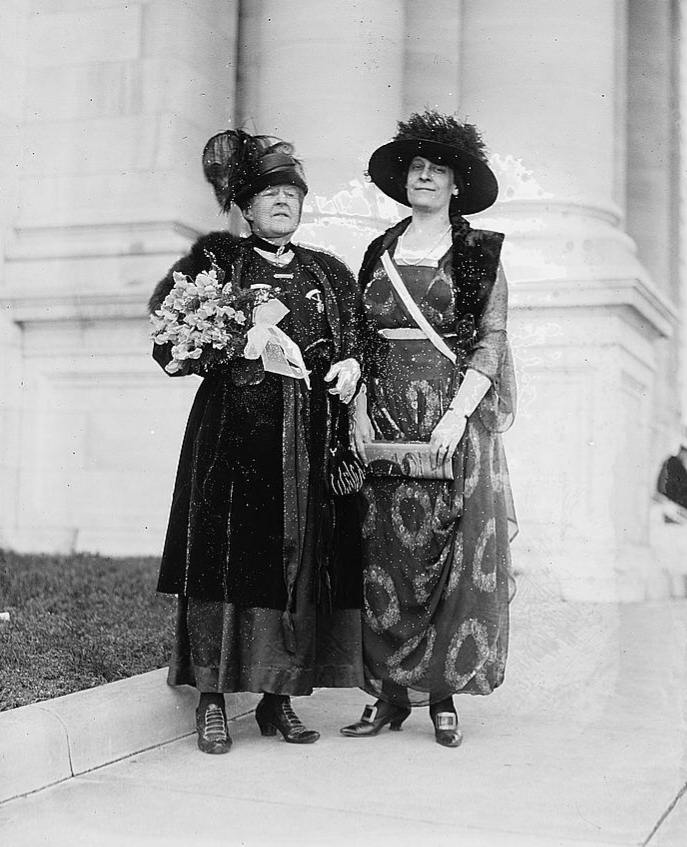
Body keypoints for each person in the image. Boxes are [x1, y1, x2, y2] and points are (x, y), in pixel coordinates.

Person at [149, 129, 364, 754]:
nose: (283, 202)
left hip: (306, 443)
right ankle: (212, 701)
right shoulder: (215, 260)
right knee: (222, 563)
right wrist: (235, 342)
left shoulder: (328, 271)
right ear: (245, 206)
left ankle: (277, 698)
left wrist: (352, 364)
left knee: (291, 564)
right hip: (232, 440)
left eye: (292, 193)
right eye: (269, 193)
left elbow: (358, 341)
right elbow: (169, 342)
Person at [340, 110, 518, 748]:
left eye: (436, 170)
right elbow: (359, 336)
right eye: (416, 168)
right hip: (384, 414)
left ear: (455, 184)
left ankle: (440, 697)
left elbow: (490, 340)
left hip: (449, 416)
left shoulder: (479, 253)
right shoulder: (379, 250)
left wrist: (458, 413)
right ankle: (387, 695)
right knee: (383, 554)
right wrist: (358, 408)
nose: (423, 177)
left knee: (444, 555)